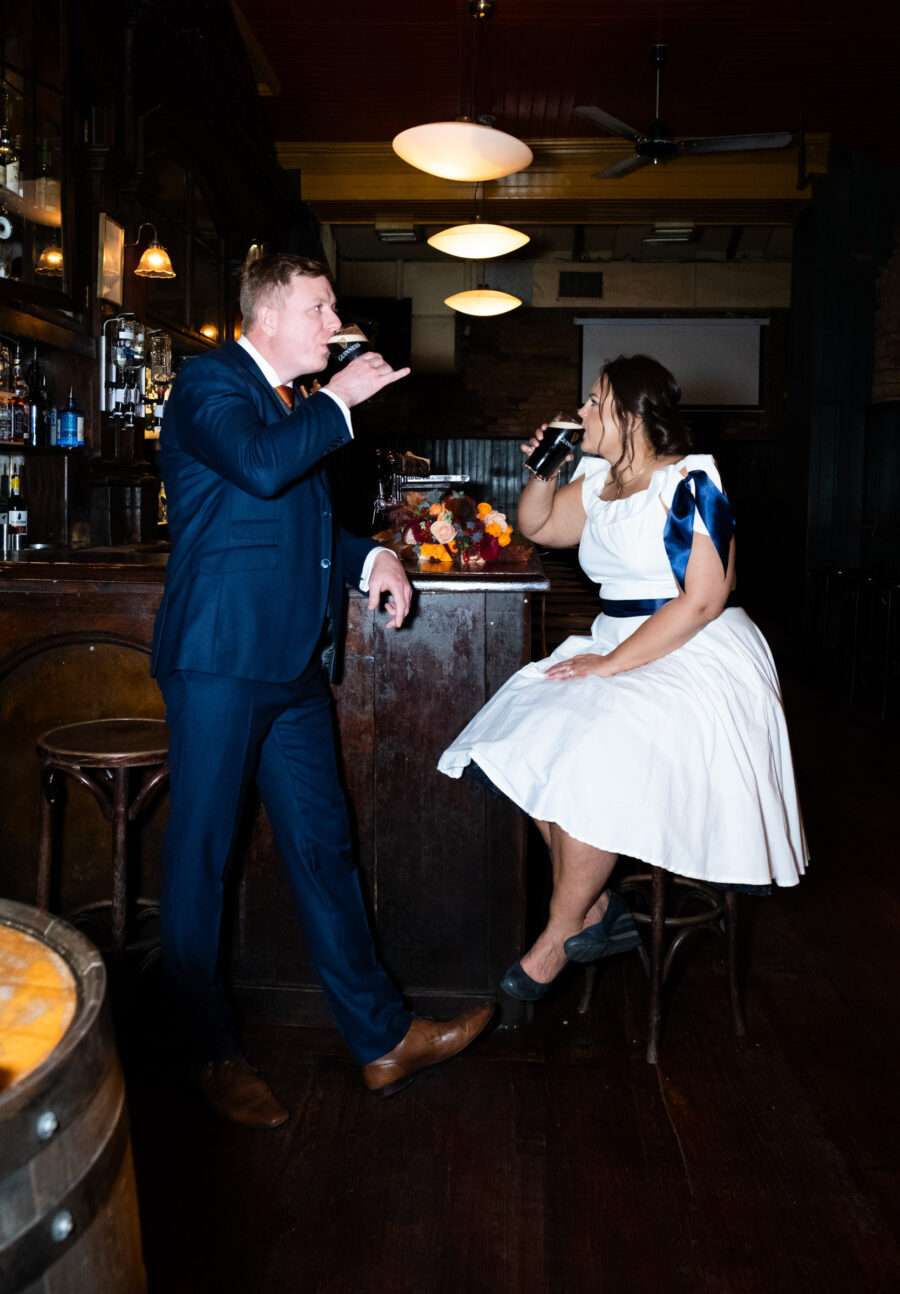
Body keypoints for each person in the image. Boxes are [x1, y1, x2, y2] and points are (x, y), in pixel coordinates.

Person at [152, 254, 492, 1125]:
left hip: (294, 669)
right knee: (201, 865)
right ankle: (206, 1050)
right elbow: (261, 470)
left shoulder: (297, 408)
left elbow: (300, 524)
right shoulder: (210, 383)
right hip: (220, 663)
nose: (333, 319)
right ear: (268, 316)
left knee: (323, 849)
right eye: (319, 305)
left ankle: (381, 1040)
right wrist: (343, 399)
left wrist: (372, 553)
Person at [438, 354, 807, 1000]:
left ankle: (558, 936)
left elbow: (703, 598)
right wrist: (545, 471)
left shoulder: (690, 485)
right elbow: (539, 525)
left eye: (594, 401)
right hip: (617, 640)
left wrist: (609, 664)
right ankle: (593, 910)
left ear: (631, 416)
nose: (581, 411)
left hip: (694, 650)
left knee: (590, 752)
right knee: (526, 733)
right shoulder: (601, 481)